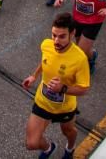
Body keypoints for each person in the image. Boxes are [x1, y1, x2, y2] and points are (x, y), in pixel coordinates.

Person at [21, 13, 91, 159]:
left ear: (72, 33)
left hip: (65, 107)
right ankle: (48, 148)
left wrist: (63, 88)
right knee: (31, 143)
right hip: (43, 102)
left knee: (68, 132)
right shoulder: (46, 45)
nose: (56, 41)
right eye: (54, 35)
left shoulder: (79, 59)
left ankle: (70, 148)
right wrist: (34, 75)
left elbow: (84, 89)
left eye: (61, 36)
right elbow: (45, 61)